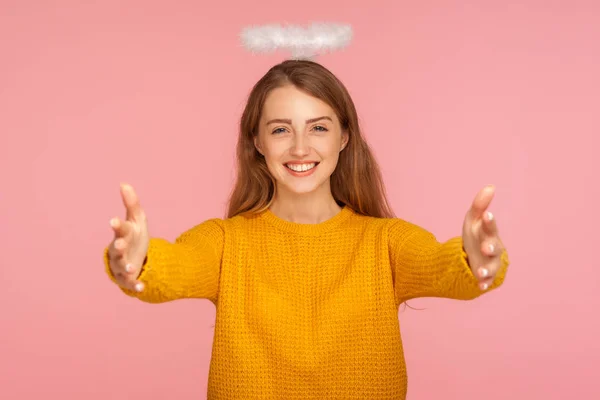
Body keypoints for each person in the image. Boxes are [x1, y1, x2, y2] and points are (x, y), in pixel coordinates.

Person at [104, 60, 509, 399]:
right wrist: (137, 261)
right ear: (258, 142)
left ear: (345, 136)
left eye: (318, 127)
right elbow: (177, 264)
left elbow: (441, 264)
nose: (300, 148)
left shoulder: (385, 242)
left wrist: (475, 259)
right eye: (281, 129)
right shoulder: (227, 241)